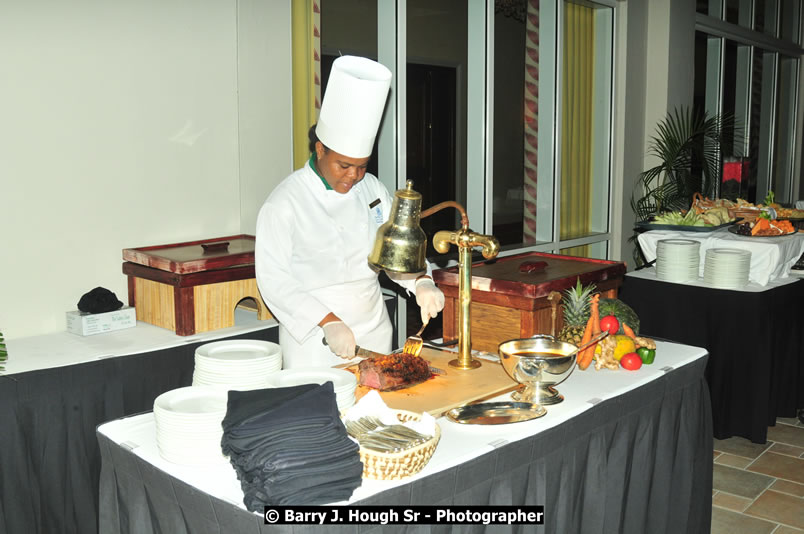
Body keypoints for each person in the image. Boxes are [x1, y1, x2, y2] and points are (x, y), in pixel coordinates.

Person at [255, 55, 445, 369]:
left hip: (374, 331)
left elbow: (393, 254)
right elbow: (274, 281)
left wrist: (421, 282)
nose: (354, 176)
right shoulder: (284, 203)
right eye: (343, 165)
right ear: (320, 149)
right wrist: (328, 320)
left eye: (361, 166)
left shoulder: (373, 189)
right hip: (314, 340)